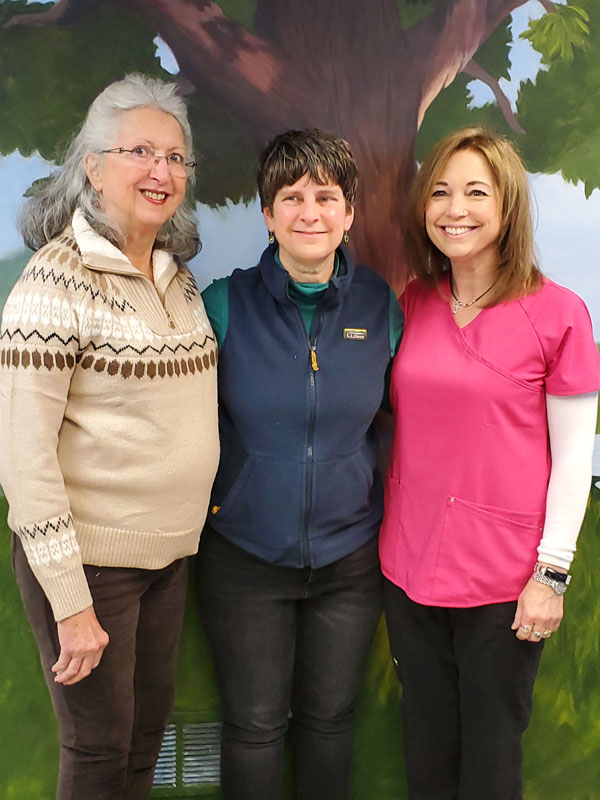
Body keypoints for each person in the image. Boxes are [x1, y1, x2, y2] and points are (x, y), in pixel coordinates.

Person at [0, 73, 219, 800]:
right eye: (140, 152)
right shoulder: (50, 284)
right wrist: (70, 601)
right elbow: (24, 460)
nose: (162, 172)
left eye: (176, 157)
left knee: (139, 749)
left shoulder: (175, 275)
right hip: (89, 566)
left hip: (165, 559)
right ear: (92, 166)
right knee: (97, 754)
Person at [379, 127, 600, 800]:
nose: (456, 209)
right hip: (408, 567)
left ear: (508, 207)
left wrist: (551, 574)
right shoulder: (413, 301)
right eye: (440, 192)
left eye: (476, 192)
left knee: (491, 753)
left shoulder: (560, 314)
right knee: (427, 742)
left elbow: (573, 460)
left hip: (505, 582)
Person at [196, 128, 403, 800]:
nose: (308, 212)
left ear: (348, 213)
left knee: (330, 721)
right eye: (291, 197)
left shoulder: (381, 308)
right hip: (244, 558)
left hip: (348, 560)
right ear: (267, 215)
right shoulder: (225, 305)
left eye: (325, 196)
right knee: (255, 728)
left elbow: (406, 418)